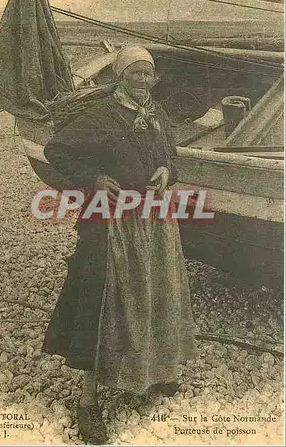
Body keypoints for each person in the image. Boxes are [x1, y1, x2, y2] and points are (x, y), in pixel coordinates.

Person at [42, 46, 198, 444]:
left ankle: (153, 372)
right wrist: (93, 178)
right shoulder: (100, 117)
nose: (142, 81)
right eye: (134, 74)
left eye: (147, 74)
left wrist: (167, 170)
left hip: (153, 221)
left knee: (155, 291)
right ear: (119, 77)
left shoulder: (156, 115)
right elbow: (56, 150)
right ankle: (88, 400)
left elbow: (171, 158)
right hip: (110, 222)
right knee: (103, 300)